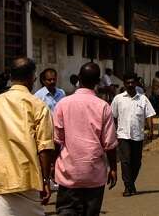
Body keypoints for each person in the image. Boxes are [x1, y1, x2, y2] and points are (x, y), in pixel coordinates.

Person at [0, 57, 55, 216]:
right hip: (27, 179)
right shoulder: (38, 105)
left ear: (11, 76)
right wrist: (46, 180)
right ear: (32, 77)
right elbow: (45, 147)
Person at [53, 62, 118, 215]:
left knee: (66, 211)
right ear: (97, 82)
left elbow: (56, 140)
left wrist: (51, 165)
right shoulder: (103, 106)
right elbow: (109, 143)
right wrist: (113, 168)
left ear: (79, 78)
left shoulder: (63, 104)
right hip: (93, 174)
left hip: (68, 172)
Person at [110, 72, 155, 197]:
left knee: (137, 161)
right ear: (124, 84)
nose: (130, 85)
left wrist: (151, 130)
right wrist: (112, 131)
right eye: (127, 82)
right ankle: (127, 186)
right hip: (123, 134)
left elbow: (149, 115)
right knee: (125, 161)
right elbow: (112, 116)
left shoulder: (143, 98)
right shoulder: (118, 99)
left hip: (138, 135)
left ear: (136, 83)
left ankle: (131, 184)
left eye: (132, 82)